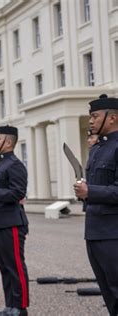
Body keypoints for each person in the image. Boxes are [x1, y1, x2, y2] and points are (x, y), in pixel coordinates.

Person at [74, 94, 118, 316]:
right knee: (108, 293)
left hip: (113, 233)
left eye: (95, 116)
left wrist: (91, 191)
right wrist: (85, 193)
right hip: (94, 231)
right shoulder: (98, 149)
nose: (90, 121)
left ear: (113, 118)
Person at [0, 126, 29, 316]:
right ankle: (11, 305)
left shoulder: (15, 165)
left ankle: (20, 306)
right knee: (5, 267)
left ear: (8, 142)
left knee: (15, 266)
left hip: (10, 222)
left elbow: (18, 192)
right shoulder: (1, 164)